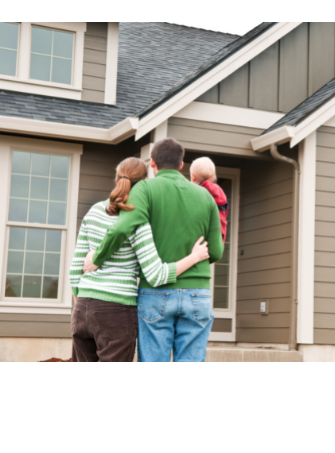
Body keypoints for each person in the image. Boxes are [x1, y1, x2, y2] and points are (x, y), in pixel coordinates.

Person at [84, 138, 224, 362]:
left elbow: (122, 228)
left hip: (155, 294)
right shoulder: (205, 196)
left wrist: (98, 257)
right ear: (181, 165)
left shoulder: (145, 189)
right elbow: (216, 252)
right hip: (198, 294)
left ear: (152, 163)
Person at [190, 157, 228, 243]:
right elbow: (225, 212)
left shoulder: (195, 193)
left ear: (193, 177)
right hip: (219, 235)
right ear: (212, 179)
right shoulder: (220, 193)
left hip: (200, 236)